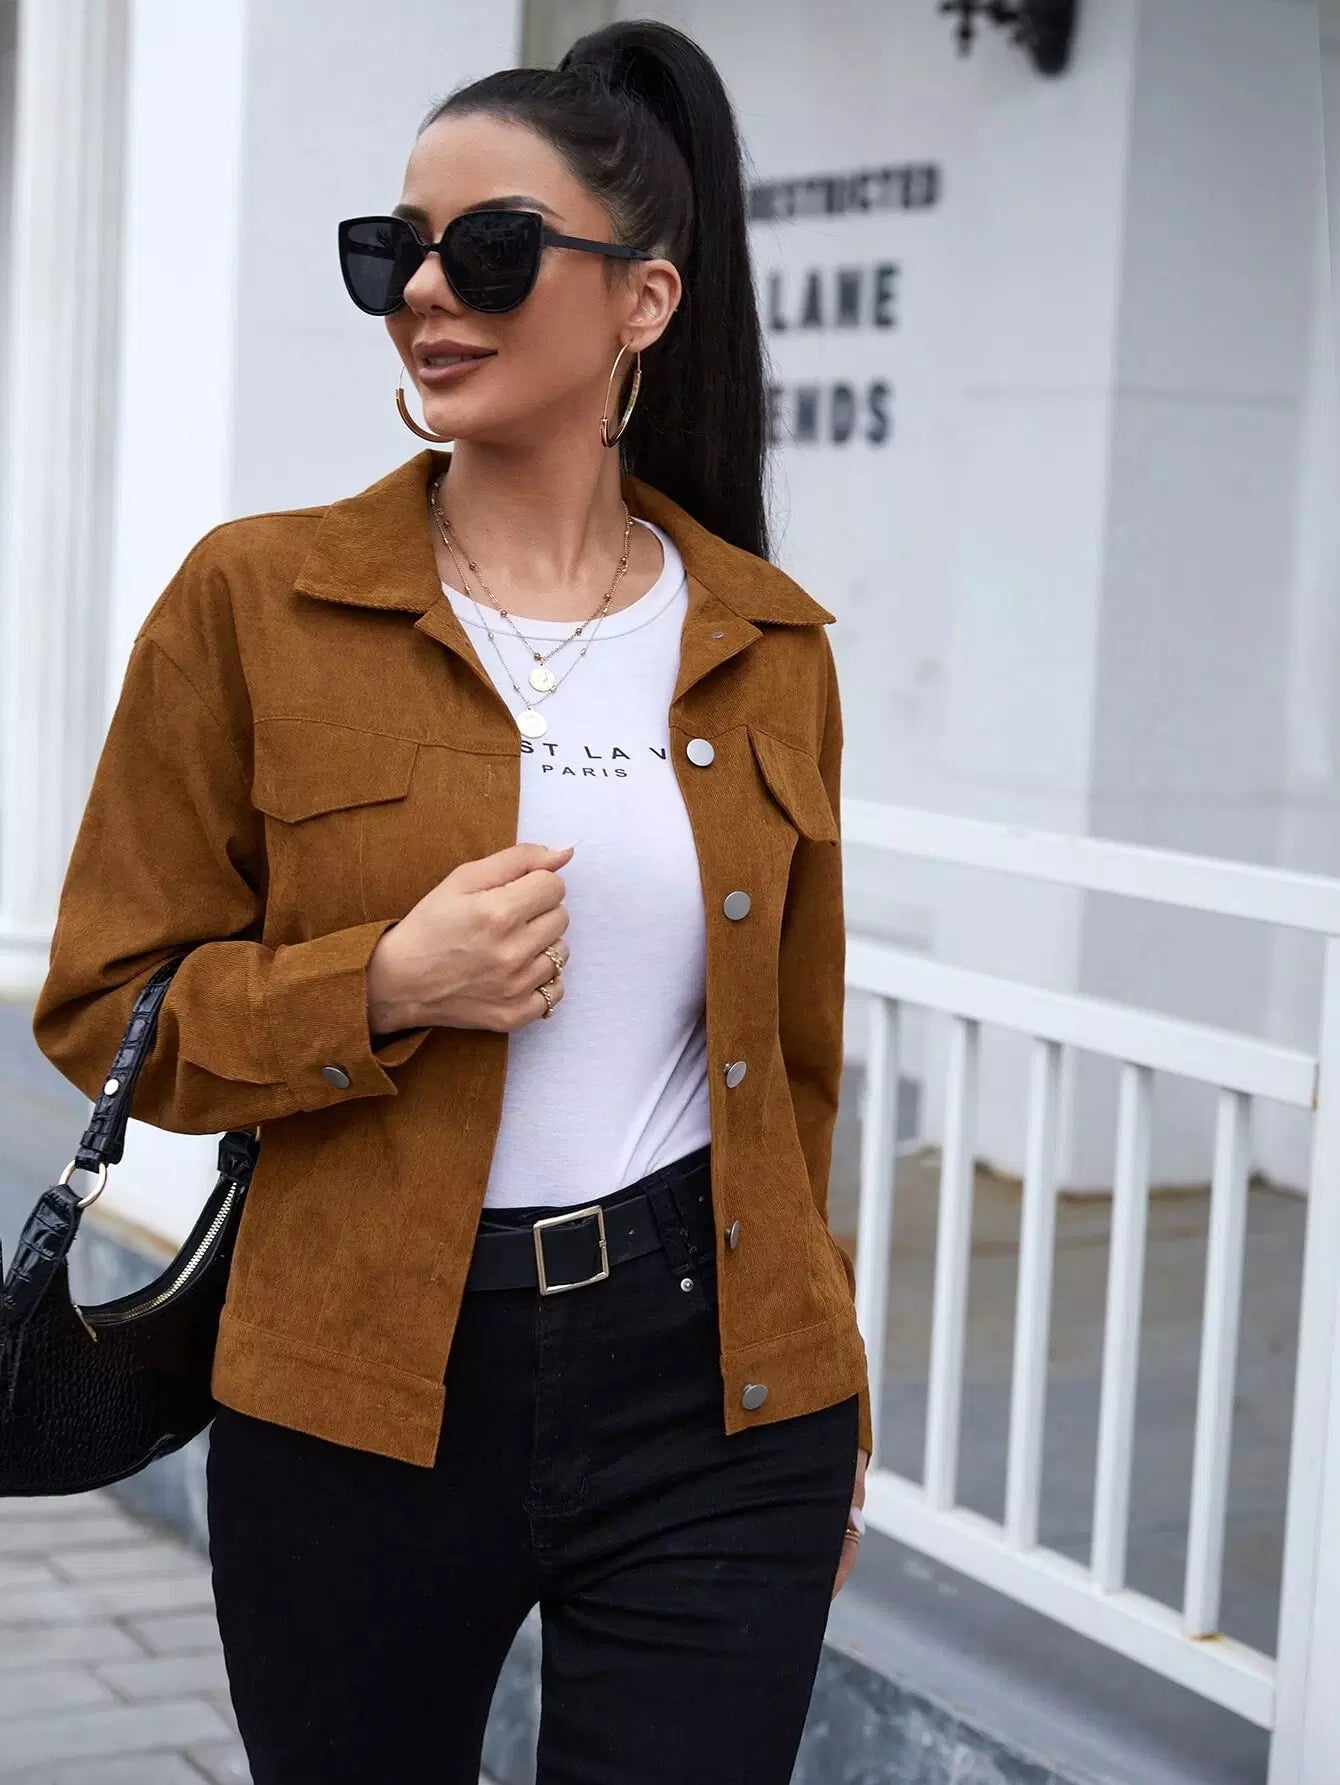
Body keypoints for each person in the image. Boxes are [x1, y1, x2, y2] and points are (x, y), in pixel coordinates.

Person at [31, 18, 872, 1783]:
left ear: (644, 300)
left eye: (488, 248)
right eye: (393, 250)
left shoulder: (767, 641)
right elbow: (105, 1001)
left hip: (716, 1391)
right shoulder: (257, 600)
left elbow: (793, 1074)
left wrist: (828, 1378)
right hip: (355, 1382)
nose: (426, 289)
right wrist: (381, 984)